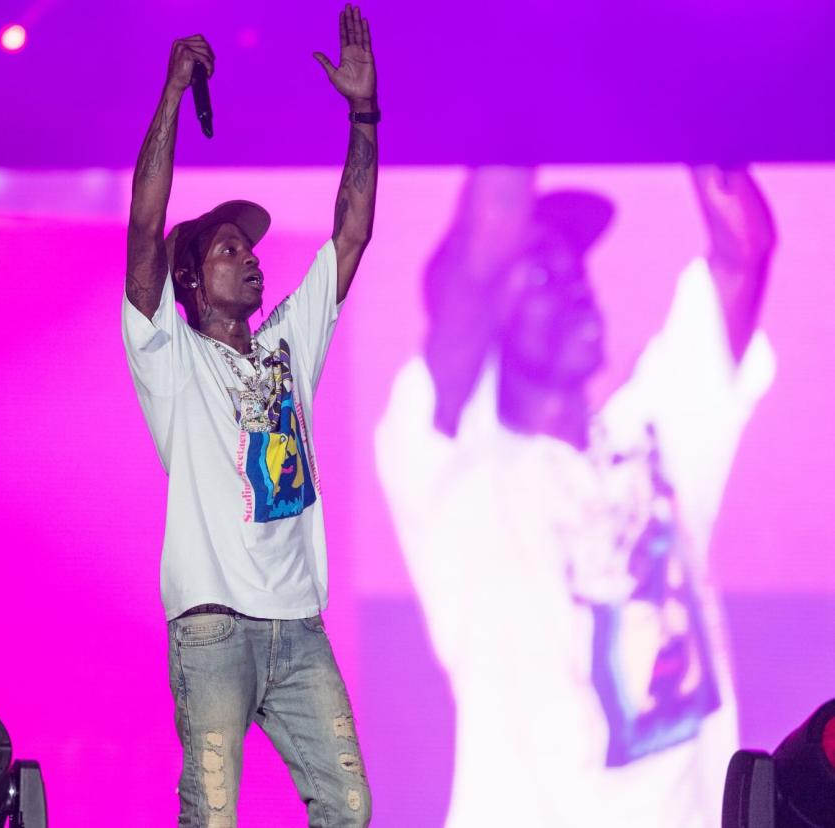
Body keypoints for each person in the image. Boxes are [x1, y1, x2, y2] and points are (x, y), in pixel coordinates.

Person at [375, 166, 776, 827]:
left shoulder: (654, 435)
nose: (576, 285)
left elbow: (744, 253)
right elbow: (488, 225)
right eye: (538, 275)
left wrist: (701, 96)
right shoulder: (455, 475)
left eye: (575, 268)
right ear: (483, 319)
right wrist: (543, 78)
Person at [122, 6, 379, 825]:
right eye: (228, 249)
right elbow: (145, 227)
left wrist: (363, 115)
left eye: (251, 247)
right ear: (190, 283)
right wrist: (171, 96)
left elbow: (350, 235)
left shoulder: (287, 348)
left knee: (348, 805)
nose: (251, 257)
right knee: (214, 814)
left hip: (299, 626)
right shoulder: (171, 355)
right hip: (215, 626)